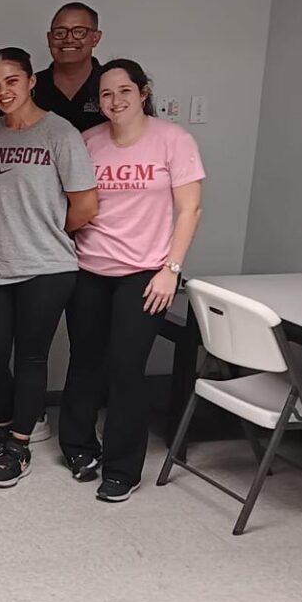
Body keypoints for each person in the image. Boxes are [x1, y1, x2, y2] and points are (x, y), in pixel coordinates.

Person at [61, 59, 204, 502]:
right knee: (85, 362)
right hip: (88, 269)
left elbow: (190, 210)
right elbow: (73, 204)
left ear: (143, 92)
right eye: (105, 94)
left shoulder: (173, 140)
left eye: (124, 91)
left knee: (125, 368)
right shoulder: (88, 142)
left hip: (145, 275)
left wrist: (171, 270)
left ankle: (123, 468)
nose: (115, 100)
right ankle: (79, 448)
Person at [0, 47, 98, 488]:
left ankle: (20, 445)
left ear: (30, 82)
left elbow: (85, 205)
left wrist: (43, 231)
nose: (2, 90)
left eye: (11, 80)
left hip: (46, 265)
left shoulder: (60, 134)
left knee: (29, 356)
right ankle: (4, 427)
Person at [34, 1, 105, 133]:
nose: (68, 39)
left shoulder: (114, 85)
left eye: (79, 32)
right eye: (60, 33)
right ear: (49, 39)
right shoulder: (29, 88)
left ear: (95, 38)